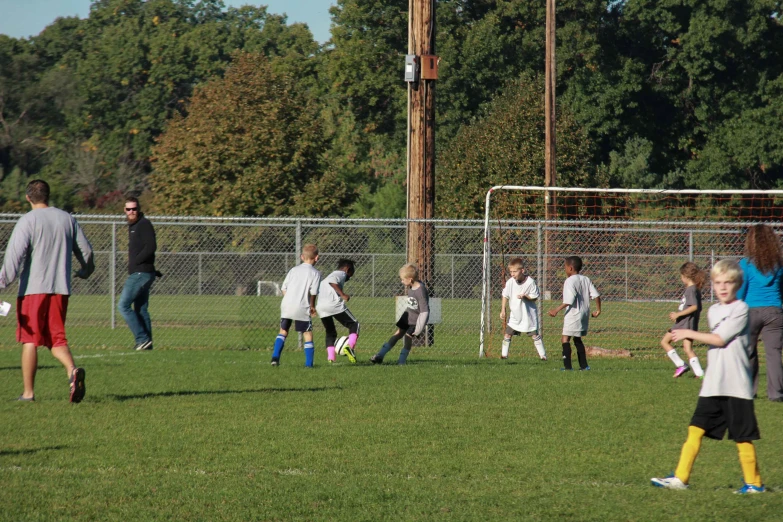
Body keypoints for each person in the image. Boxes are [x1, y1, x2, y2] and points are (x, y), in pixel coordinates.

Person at [651, 260, 765, 494]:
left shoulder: (741, 309)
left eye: (728, 282)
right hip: (713, 383)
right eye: (718, 283)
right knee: (695, 429)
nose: (723, 287)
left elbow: (721, 339)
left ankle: (754, 484)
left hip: (736, 385)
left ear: (738, 284)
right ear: (712, 284)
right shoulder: (714, 311)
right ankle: (680, 478)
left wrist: (687, 332)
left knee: (742, 436)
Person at [0, 179, 94, 402]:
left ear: (28, 197)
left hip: (33, 290)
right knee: (56, 339)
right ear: (48, 195)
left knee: (30, 340)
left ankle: (28, 393)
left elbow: (13, 259)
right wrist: (85, 271)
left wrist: (2, 282)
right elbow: (86, 252)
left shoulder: (28, 220)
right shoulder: (67, 219)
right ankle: (72, 371)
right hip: (60, 289)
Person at [737, 224, 783, 401]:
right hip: (774, 312)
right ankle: (776, 393)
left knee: (749, 352)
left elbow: (741, 291)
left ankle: (748, 390)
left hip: (751, 312)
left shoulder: (745, 264)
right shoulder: (779, 265)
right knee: (774, 354)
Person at [118, 196, 159, 351]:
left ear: (139, 209)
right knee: (141, 309)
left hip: (140, 273)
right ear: (125, 210)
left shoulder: (144, 224)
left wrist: (137, 261)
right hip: (143, 272)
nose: (131, 212)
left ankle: (141, 339)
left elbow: (151, 246)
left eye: (134, 209)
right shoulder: (133, 226)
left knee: (123, 306)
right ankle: (147, 344)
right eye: (128, 209)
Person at [271, 244, 321, 367]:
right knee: (307, 333)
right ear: (317, 258)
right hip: (302, 306)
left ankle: (275, 357)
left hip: (286, 304)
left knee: (283, 331)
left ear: (302, 257)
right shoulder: (315, 273)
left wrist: (290, 299)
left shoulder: (293, 270)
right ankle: (309, 364)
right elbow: (313, 292)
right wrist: (312, 306)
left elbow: (283, 288)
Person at [548, 256, 601, 371]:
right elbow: (596, 295)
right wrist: (598, 310)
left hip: (573, 314)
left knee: (565, 339)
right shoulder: (586, 279)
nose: (565, 270)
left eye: (565, 267)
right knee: (577, 339)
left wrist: (556, 310)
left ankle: (568, 367)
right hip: (584, 314)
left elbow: (569, 300)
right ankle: (584, 366)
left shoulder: (569, 281)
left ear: (570, 268)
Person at [370, 263, 429, 365]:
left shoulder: (421, 291)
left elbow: (424, 311)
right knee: (397, 334)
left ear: (410, 279)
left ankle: (401, 362)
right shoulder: (412, 286)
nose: (401, 281)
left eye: (403, 279)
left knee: (407, 337)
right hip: (407, 315)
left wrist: (419, 327)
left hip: (415, 320)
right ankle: (380, 355)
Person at [660, 262, 705, 378]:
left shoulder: (691, 290)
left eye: (681, 276)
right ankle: (700, 374)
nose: (681, 279)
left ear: (686, 276)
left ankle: (681, 364)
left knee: (664, 342)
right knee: (687, 348)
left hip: (683, 324)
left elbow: (694, 307)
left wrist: (678, 314)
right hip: (688, 324)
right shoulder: (695, 289)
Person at [499, 258, 546, 360]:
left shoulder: (530, 282)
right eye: (511, 271)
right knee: (507, 334)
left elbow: (535, 296)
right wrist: (503, 309)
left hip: (528, 316)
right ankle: (504, 356)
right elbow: (505, 295)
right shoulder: (510, 282)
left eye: (515, 271)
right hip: (515, 315)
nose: (512, 274)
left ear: (522, 270)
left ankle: (543, 356)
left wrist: (525, 296)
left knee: (534, 335)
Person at [317, 259, 359, 364]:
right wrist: (343, 294)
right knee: (354, 324)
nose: (350, 277)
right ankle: (350, 347)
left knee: (330, 332)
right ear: (348, 269)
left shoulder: (329, 275)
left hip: (321, 307)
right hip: (333, 304)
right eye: (351, 274)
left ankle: (331, 359)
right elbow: (333, 282)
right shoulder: (340, 273)